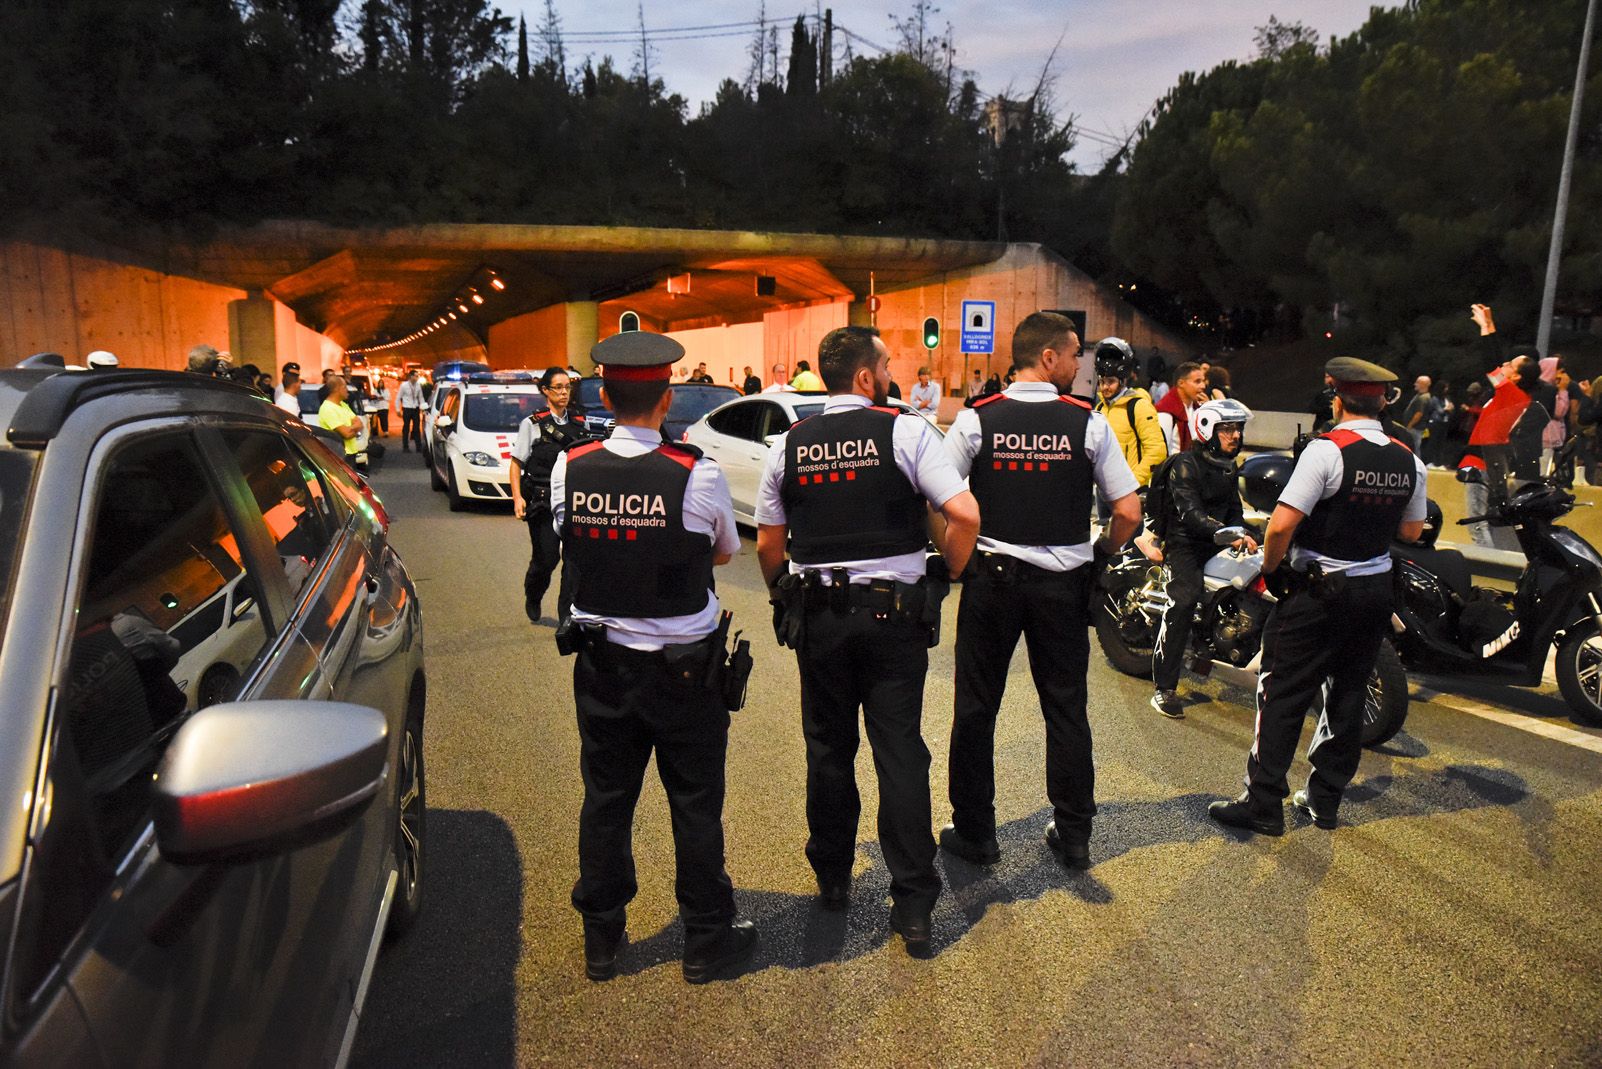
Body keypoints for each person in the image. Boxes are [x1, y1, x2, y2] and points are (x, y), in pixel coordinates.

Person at [755, 325, 979, 957]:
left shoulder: (790, 444)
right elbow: (964, 516)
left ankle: (831, 878)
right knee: (900, 753)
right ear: (865, 376)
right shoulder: (904, 430)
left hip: (819, 622)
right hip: (893, 621)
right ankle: (912, 904)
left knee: (828, 748)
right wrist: (947, 572)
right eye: (885, 364)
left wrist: (783, 595)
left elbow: (770, 544)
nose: (891, 373)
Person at [549, 331, 757, 985]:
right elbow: (724, 552)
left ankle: (602, 941)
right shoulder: (697, 472)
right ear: (667, 397)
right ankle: (704, 941)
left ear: (604, 394)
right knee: (695, 805)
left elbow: (571, 540)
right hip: (685, 672)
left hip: (603, 666)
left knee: (606, 800)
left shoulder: (570, 466)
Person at [940, 313, 1141, 873]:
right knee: (1066, 708)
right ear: (1047, 358)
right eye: (1075, 353)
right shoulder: (1089, 423)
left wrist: (957, 563)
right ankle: (1074, 833)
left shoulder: (977, 420)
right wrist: (1100, 554)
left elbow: (944, 500)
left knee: (977, 708)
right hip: (1063, 585)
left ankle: (976, 833)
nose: (1082, 365)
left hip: (992, 582)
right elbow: (1127, 511)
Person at [1209, 358, 1425, 835]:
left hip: (1319, 590)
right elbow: (1411, 529)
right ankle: (1325, 801)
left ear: (1337, 397)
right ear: (1384, 402)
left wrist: (1270, 570)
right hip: (1374, 591)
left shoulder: (1327, 451)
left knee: (1282, 692)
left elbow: (1282, 524)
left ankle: (1262, 804)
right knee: (1347, 693)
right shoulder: (1408, 457)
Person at [1149, 399, 1255, 718]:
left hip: (1215, 539)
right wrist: (1230, 533)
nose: (1235, 435)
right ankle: (1164, 688)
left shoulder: (1225, 466)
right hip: (1185, 543)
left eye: (1238, 428)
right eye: (1227, 429)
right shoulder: (1185, 464)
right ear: (1207, 429)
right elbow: (1191, 514)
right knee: (1184, 600)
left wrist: (1255, 531)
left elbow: (1234, 509)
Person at [510, 367, 586, 624]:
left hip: (574, 500)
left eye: (568, 387)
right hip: (542, 501)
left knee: (574, 560)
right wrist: (518, 497)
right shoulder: (532, 424)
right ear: (545, 390)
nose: (564, 392)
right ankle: (533, 594)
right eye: (558, 387)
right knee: (547, 559)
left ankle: (567, 616)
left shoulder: (579, 423)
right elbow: (516, 463)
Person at [1093, 337, 1167, 490]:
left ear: (1123, 380)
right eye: (1101, 381)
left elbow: (1157, 451)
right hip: (1104, 490)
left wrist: (1133, 482)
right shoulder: (1099, 409)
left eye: (1110, 381)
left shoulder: (1139, 406)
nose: (1105, 387)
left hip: (1132, 490)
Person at [1154, 360, 1207, 454]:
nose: (1203, 386)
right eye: (1197, 381)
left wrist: (1209, 409)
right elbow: (1158, 451)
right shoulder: (1165, 412)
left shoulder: (1199, 408)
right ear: (1181, 383)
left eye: (1203, 381)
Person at [318, 375, 363, 458]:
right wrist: (355, 429)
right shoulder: (328, 408)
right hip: (339, 456)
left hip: (351, 453)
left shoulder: (343, 405)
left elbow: (360, 424)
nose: (347, 391)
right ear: (337, 389)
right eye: (345, 387)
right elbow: (346, 434)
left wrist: (351, 428)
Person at [1402, 375, 1436, 453]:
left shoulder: (1423, 398)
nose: (1415, 384)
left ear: (1423, 384)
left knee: (1414, 448)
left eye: (1417, 382)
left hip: (1415, 428)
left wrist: (1409, 426)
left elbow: (1419, 414)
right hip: (1415, 428)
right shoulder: (1420, 395)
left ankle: (1416, 464)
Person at [398, 369, 424, 452]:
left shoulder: (418, 385)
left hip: (415, 408)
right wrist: (398, 409)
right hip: (407, 408)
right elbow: (398, 398)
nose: (417, 378)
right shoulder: (404, 385)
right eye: (416, 376)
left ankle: (418, 447)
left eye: (418, 376)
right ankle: (405, 447)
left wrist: (423, 407)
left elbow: (421, 397)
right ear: (411, 376)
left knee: (416, 428)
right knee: (406, 428)